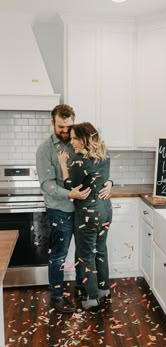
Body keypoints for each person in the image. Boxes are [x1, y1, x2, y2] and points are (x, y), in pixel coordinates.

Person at [36, 104, 112, 314]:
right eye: (60, 126)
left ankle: (85, 289)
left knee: (83, 252)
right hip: (60, 209)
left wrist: (109, 182)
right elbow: (46, 184)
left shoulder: (77, 140)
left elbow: (95, 166)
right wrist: (69, 194)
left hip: (83, 210)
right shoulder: (45, 150)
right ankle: (57, 296)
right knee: (59, 255)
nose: (65, 132)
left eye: (68, 127)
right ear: (53, 122)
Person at [57, 122, 112, 311]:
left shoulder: (80, 161)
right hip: (105, 208)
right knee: (101, 250)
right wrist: (111, 182)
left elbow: (70, 186)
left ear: (84, 138)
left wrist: (64, 165)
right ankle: (104, 289)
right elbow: (105, 179)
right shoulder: (104, 154)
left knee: (86, 255)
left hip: (88, 212)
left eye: (74, 138)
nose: (71, 142)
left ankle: (92, 298)